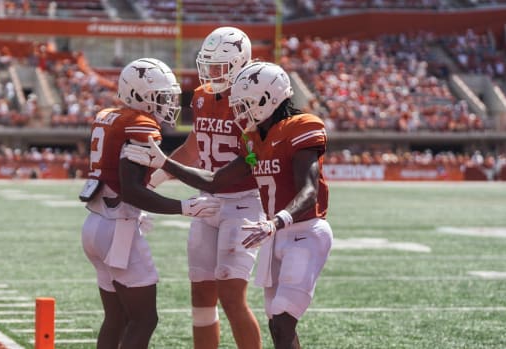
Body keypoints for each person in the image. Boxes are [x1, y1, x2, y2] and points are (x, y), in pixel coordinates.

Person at [126, 61, 333, 349]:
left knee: (282, 318)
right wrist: (163, 163)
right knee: (277, 322)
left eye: (245, 104)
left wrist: (276, 221)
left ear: (268, 99)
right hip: (275, 233)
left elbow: (309, 190)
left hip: (302, 231)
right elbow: (215, 180)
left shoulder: (301, 127)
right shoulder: (254, 142)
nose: (238, 112)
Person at [79, 58, 220, 349]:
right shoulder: (139, 123)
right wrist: (182, 207)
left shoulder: (109, 115)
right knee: (144, 320)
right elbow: (131, 191)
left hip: (95, 224)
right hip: (118, 228)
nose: (168, 102)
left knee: (116, 318)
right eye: (161, 96)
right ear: (140, 93)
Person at [146, 26, 263, 349]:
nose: (212, 72)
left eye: (220, 66)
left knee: (231, 294)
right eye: (208, 64)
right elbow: (195, 146)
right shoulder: (201, 96)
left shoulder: (252, 101)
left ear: (240, 64)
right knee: (200, 295)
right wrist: (154, 178)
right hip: (206, 199)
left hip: (242, 203)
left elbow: (253, 159)